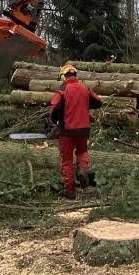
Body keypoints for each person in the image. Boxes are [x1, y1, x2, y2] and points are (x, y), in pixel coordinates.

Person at [49, 63, 102, 198]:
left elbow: (54, 110)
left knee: (67, 160)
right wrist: (84, 104)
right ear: (75, 75)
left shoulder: (62, 90)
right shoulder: (85, 88)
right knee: (82, 152)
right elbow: (98, 102)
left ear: (63, 76)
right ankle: (83, 171)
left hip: (67, 130)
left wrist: (55, 122)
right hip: (84, 129)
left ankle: (69, 191)